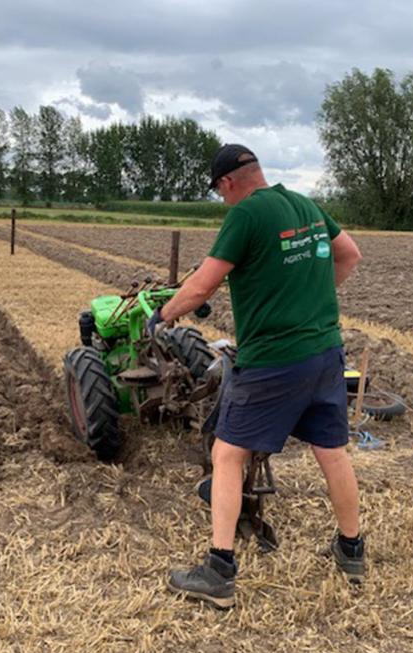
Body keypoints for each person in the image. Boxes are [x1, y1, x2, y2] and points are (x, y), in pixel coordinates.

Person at [148, 144, 364, 609]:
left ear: (227, 183)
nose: (222, 199)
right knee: (332, 452)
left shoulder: (244, 215)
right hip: (325, 351)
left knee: (228, 454)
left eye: (219, 191)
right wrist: (308, 301)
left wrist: (163, 315)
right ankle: (351, 550)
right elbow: (349, 254)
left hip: (273, 360)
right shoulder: (304, 204)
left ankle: (219, 572)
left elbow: (203, 285)